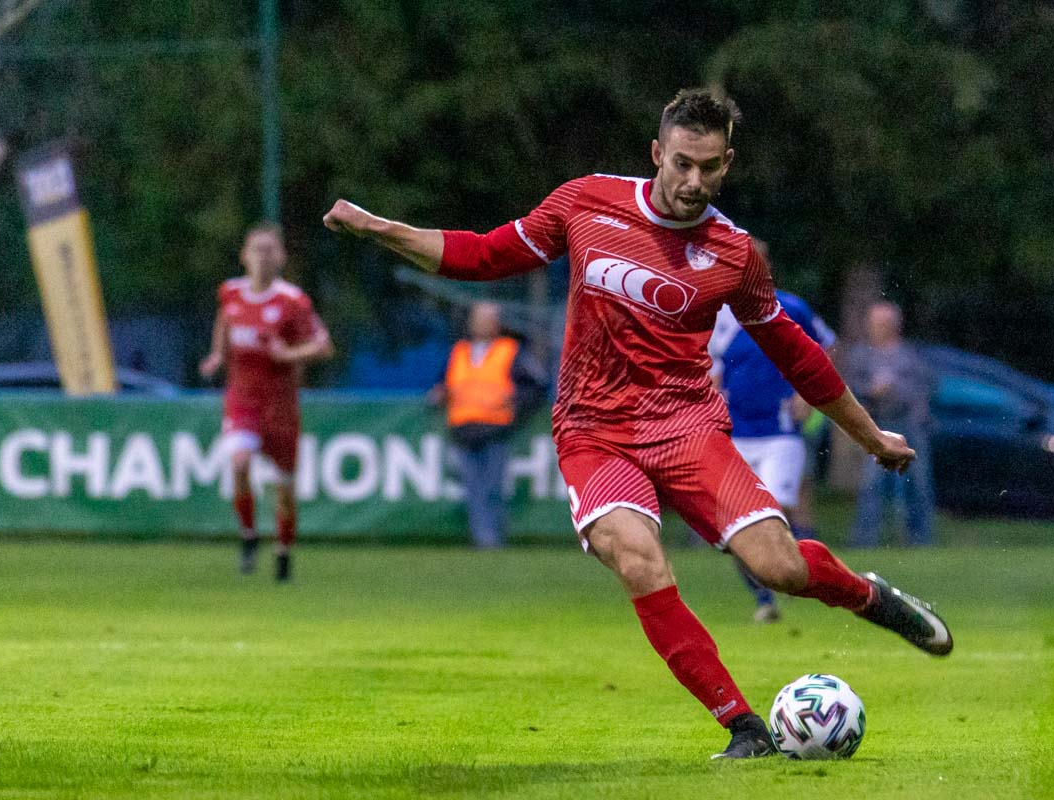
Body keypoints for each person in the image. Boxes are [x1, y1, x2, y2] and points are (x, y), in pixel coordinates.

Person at [323, 88, 952, 759]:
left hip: (687, 427)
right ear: (657, 153)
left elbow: (796, 354)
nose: (694, 181)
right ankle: (744, 729)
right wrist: (380, 228)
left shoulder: (734, 254)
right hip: (593, 431)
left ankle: (868, 597)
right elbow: (483, 255)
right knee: (637, 557)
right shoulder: (587, 202)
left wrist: (870, 436)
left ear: (727, 164)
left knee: (780, 568)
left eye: (709, 167)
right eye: (682, 163)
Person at [199, 223, 335, 581]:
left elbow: (323, 346)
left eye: (269, 249)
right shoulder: (230, 292)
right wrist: (218, 354)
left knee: (284, 488)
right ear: (244, 256)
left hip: (280, 407)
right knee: (240, 462)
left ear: (281, 257)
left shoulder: (292, 301)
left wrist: (288, 354)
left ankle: (284, 552)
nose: (262, 256)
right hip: (242, 399)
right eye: (256, 249)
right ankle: (248, 535)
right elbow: (224, 322)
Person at [708, 279, 836, 623]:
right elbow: (710, 366)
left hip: (780, 432)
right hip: (735, 433)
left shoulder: (790, 307)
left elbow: (827, 346)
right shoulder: (717, 314)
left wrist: (807, 392)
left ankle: (811, 580)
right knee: (738, 524)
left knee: (775, 512)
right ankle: (764, 597)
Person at [429, 301, 547, 549]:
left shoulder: (510, 350)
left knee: (492, 487)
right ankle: (482, 538)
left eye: (488, 319)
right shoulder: (459, 350)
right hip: (463, 429)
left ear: (497, 324)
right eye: (479, 319)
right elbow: (445, 382)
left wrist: (516, 404)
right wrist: (439, 395)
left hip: (495, 429)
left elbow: (536, 386)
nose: (482, 325)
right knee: (473, 488)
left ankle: (491, 538)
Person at [842, 301, 937, 547]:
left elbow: (926, 388)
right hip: (878, 426)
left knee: (918, 485)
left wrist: (899, 392)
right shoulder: (862, 356)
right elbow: (850, 390)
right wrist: (871, 391)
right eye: (873, 323)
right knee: (871, 486)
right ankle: (864, 542)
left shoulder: (911, 355)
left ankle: (921, 541)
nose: (875, 328)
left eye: (881, 323)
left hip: (911, 426)